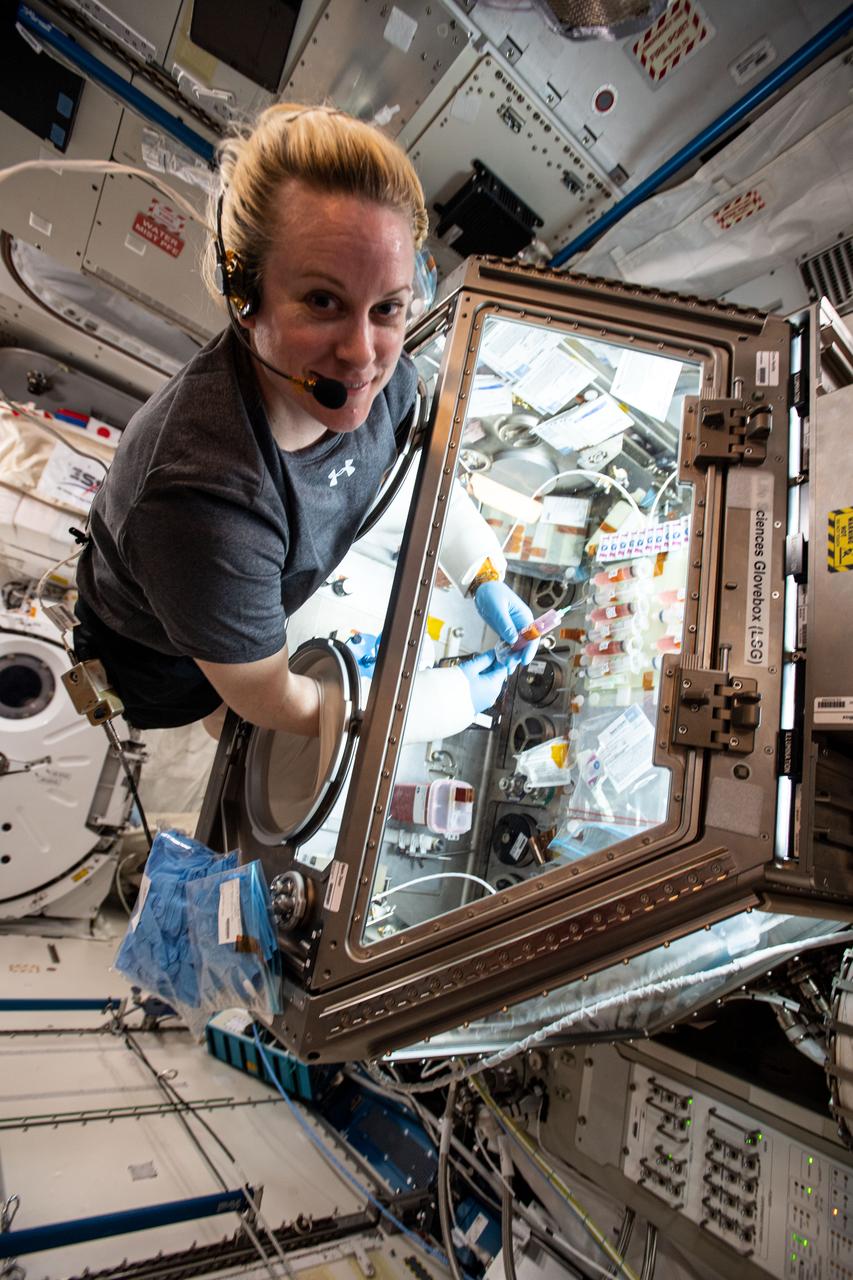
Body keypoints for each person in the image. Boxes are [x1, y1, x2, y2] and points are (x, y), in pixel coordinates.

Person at [73, 103, 535, 738]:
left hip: (244, 584)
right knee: (215, 715)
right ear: (245, 298)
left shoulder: (386, 381)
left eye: (387, 308)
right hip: (163, 655)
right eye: (323, 301)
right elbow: (270, 701)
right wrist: (439, 703)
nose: (363, 354)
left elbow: (407, 476)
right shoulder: (203, 505)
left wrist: (480, 569)